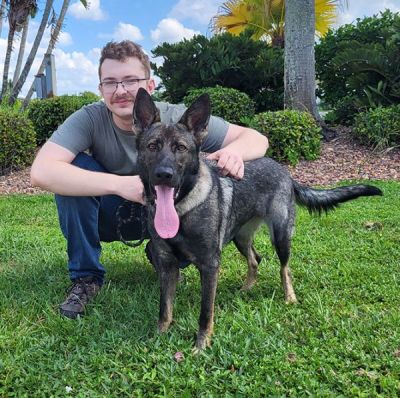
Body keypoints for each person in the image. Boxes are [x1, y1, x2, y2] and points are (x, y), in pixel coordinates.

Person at [30, 40, 269, 319]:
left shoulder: (175, 119)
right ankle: (86, 278)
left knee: (201, 194)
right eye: (110, 82)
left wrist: (232, 152)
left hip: (168, 208)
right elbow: (42, 171)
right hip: (114, 212)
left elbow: (257, 139)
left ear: (150, 86)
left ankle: (163, 254)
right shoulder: (89, 119)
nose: (120, 90)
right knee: (75, 167)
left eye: (131, 80)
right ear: (101, 89)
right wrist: (121, 185)